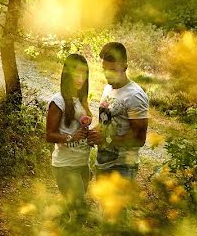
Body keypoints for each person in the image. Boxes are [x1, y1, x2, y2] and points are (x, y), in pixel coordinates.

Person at [88, 42, 149, 181]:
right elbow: (106, 122)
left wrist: (105, 140)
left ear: (125, 67)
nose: (107, 74)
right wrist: (93, 133)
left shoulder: (135, 96)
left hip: (122, 169)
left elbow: (139, 139)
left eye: (113, 70)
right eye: (104, 69)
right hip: (103, 164)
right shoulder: (108, 89)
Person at [45, 54, 92, 220]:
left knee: (68, 209)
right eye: (76, 74)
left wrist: (91, 136)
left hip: (82, 165)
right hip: (66, 166)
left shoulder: (81, 99)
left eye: (84, 74)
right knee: (80, 214)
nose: (80, 79)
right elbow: (49, 135)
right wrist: (71, 137)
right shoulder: (58, 101)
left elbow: (82, 129)